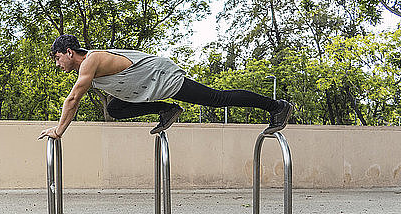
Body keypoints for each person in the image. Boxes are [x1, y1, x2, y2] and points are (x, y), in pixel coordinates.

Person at [38, 34, 292, 140]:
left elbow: (72, 100)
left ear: (69, 52)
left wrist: (59, 130)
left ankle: (277, 106)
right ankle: (167, 110)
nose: (58, 64)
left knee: (217, 98)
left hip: (161, 77)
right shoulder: (90, 70)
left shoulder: (90, 61)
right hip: (150, 87)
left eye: (58, 58)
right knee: (115, 108)